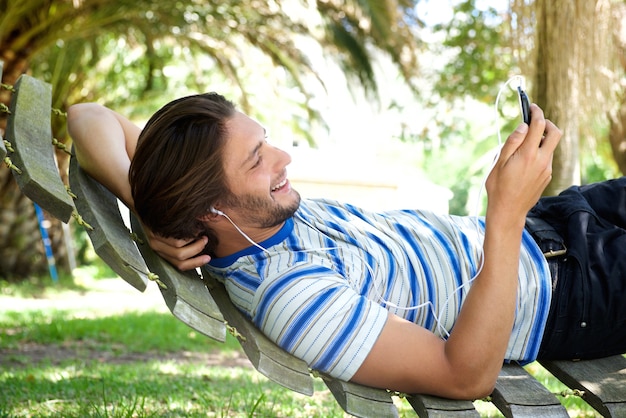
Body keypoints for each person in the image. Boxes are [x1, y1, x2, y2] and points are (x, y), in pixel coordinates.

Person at [67, 92, 626, 400]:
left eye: (265, 141)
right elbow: (464, 376)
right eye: (257, 160)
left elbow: (86, 116)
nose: (283, 158)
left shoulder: (229, 208)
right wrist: (504, 216)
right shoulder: (292, 295)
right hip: (571, 292)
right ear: (212, 210)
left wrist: (145, 205)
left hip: (555, 224)